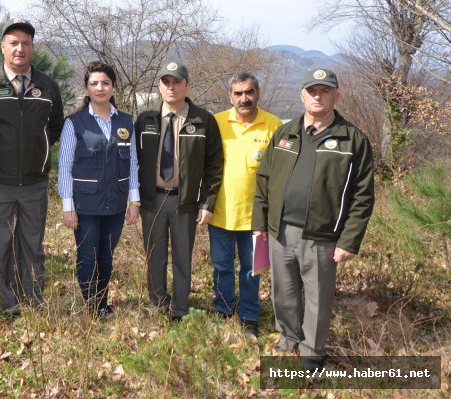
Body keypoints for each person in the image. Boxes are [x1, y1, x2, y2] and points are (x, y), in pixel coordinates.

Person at [252, 68, 375, 369]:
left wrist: (348, 240)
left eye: (324, 90)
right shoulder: (285, 133)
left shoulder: (353, 140)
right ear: (302, 95)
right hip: (280, 230)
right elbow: (264, 179)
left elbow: (363, 197)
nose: (317, 96)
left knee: (318, 299)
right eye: (312, 90)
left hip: (322, 237)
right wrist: (260, 223)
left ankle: (311, 353)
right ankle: (287, 339)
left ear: (336, 95)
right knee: (284, 292)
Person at [0, 18, 64, 315]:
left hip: (34, 182)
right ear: (3, 47)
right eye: (14, 43)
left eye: (26, 43)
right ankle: (12, 304)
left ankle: (35, 301)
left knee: (32, 245)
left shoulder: (48, 87)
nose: (20, 49)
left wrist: (36, 150)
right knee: (1, 245)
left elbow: (56, 126)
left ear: (33, 48)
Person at [135, 62, 223, 321]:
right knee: (155, 257)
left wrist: (207, 203)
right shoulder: (145, 120)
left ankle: (181, 309)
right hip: (152, 201)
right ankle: (158, 304)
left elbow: (214, 165)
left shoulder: (203, 120)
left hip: (185, 202)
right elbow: (132, 161)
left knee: (182, 258)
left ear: (187, 85)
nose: (171, 87)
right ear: (160, 87)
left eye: (176, 82)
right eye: (166, 82)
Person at [58, 61, 140, 320]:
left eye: (105, 83)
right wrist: (67, 205)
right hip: (85, 206)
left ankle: (103, 302)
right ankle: (91, 304)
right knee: (87, 255)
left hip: (115, 203)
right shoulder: (75, 123)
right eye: (94, 83)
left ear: (113, 86)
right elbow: (65, 165)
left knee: (106, 256)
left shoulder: (126, 122)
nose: (100, 88)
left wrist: (134, 200)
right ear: (86, 88)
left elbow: (134, 163)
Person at [208, 72, 282, 337]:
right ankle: (224, 310)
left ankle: (249, 315)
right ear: (230, 96)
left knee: (253, 270)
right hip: (220, 214)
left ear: (257, 93)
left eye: (249, 92)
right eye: (238, 93)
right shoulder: (216, 122)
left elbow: (280, 173)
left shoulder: (273, 125)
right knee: (222, 266)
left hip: (257, 217)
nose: (244, 98)